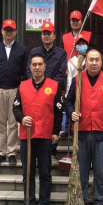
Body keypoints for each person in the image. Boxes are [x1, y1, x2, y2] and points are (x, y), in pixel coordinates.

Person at [66, 48, 103, 205]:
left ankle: (99, 203)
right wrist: (72, 113)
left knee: (100, 171)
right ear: (85, 62)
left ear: (101, 62)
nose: (94, 62)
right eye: (91, 59)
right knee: (83, 170)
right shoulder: (78, 79)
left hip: (101, 132)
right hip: (82, 131)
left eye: (97, 60)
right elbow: (68, 101)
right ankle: (82, 201)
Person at [13, 53, 63, 205]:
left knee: (45, 172)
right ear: (30, 67)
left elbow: (58, 112)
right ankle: (28, 202)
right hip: (26, 136)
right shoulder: (22, 86)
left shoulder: (54, 86)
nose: (37, 67)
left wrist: (56, 131)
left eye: (40, 64)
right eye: (34, 64)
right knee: (27, 172)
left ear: (45, 66)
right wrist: (22, 118)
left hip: (45, 135)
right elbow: (16, 108)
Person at [0, 19, 29, 166]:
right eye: (6, 30)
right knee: (1, 122)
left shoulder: (22, 49)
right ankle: (1, 152)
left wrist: (26, 89)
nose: (9, 33)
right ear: (2, 31)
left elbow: (25, 71)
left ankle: (11, 153)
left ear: (15, 32)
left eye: (11, 30)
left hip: (16, 89)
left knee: (13, 123)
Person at [26, 22, 67, 167]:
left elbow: (61, 73)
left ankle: (52, 153)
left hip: (53, 91)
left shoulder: (61, 53)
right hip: (35, 90)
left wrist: (49, 85)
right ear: (41, 36)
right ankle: (36, 154)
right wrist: (36, 84)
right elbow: (28, 71)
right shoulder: (34, 52)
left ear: (54, 36)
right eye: (44, 33)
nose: (46, 36)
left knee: (53, 119)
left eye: (49, 33)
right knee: (37, 117)